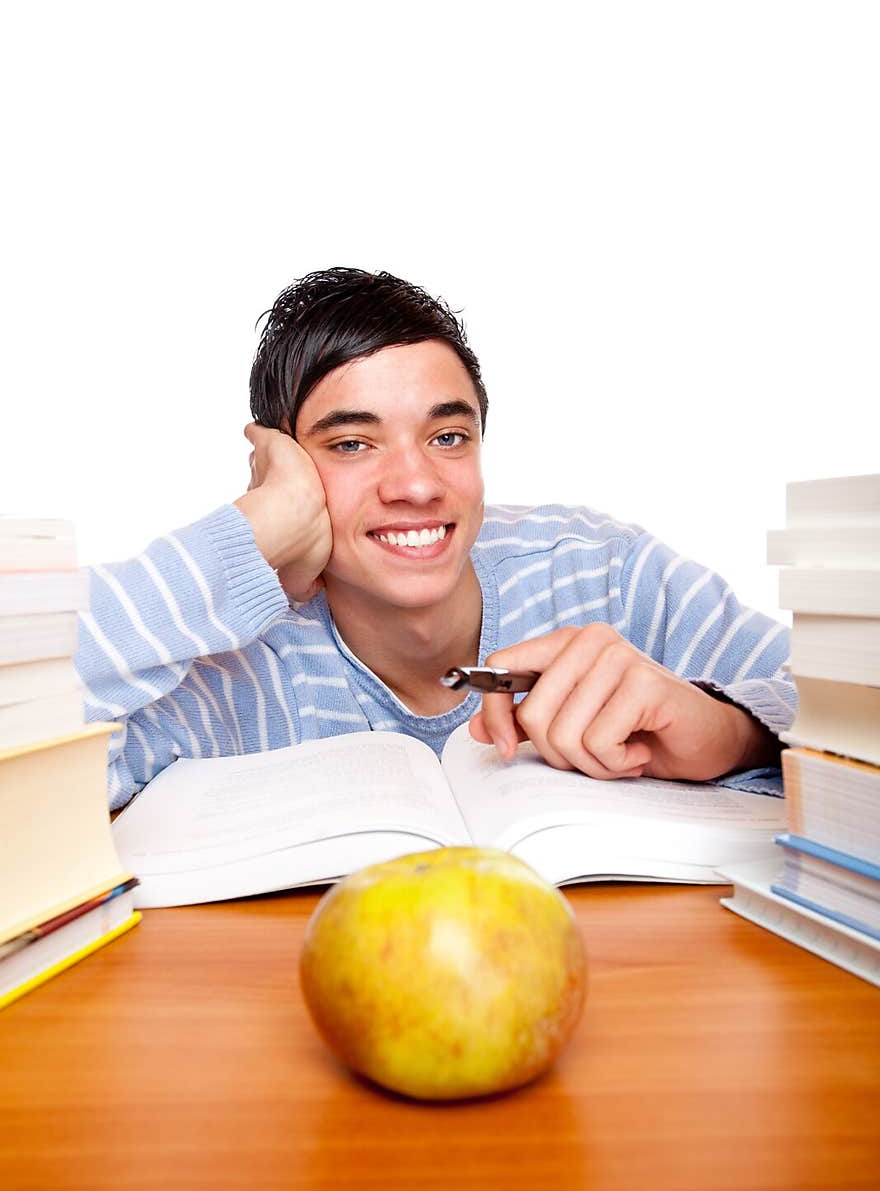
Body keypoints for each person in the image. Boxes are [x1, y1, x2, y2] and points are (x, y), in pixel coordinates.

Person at [77, 267, 794, 812]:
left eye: (448, 437)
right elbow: (36, 757)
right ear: (283, 467)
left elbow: (852, 708)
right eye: (353, 444)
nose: (416, 485)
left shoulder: (607, 575)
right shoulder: (237, 668)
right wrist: (247, 536)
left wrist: (732, 734)